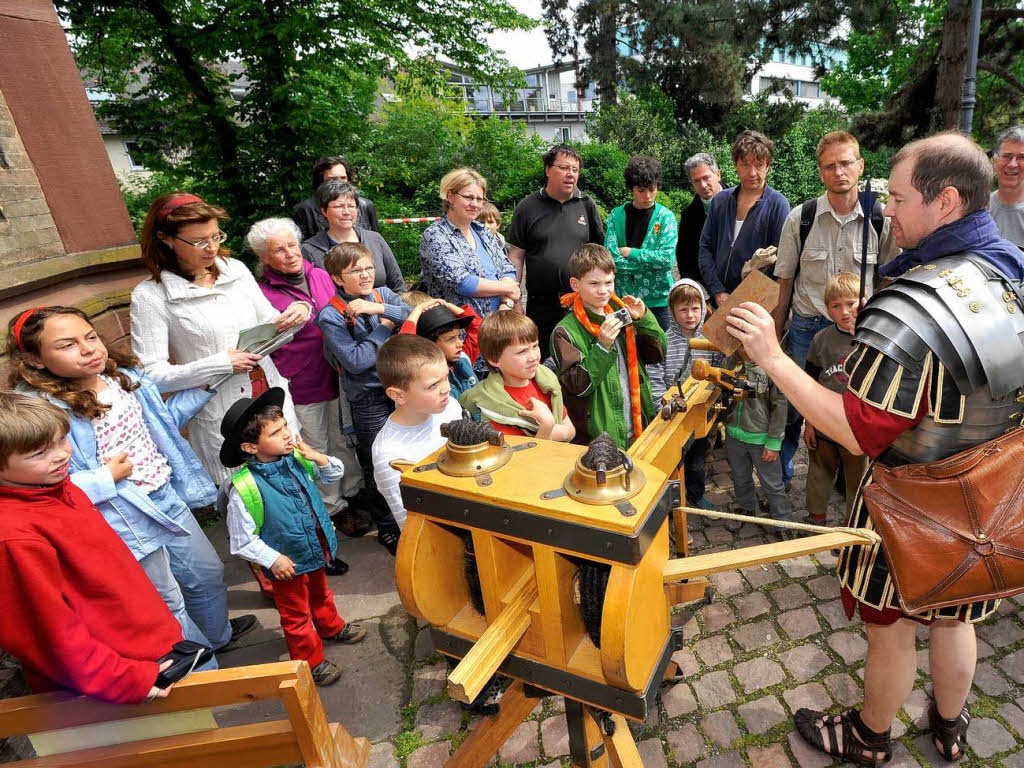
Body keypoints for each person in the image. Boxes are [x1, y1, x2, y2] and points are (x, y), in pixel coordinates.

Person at [728, 131, 1024, 765]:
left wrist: (772, 357)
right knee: (957, 618)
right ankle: (949, 725)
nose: (884, 209)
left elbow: (856, 428)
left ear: (945, 201)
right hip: (989, 494)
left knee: (888, 628)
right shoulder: (1009, 270)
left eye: (895, 196)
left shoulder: (915, 302)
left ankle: (869, 737)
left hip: (910, 501)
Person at [8, 305, 255, 652]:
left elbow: (159, 423)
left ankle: (216, 640)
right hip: (121, 515)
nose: (88, 348)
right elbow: (45, 486)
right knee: (167, 600)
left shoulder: (120, 377)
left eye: (91, 337)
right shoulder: (43, 411)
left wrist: (202, 389)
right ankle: (199, 668)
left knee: (206, 575)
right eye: (66, 345)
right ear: (33, 360)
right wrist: (104, 479)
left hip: (165, 496)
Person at [0, 391, 186, 704]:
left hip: (147, 654)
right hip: (113, 685)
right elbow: (47, 632)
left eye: (61, 439)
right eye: (38, 453)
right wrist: (122, 679)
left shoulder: (60, 489)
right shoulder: (13, 536)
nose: (60, 455)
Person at [130, 192, 306, 484]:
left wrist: (297, 312)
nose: (212, 247)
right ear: (166, 239)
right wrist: (220, 363)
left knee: (299, 481)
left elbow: (271, 324)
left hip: (271, 397)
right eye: (199, 241)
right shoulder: (150, 296)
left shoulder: (235, 270)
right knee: (250, 500)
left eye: (216, 236)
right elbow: (151, 376)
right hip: (225, 414)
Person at [772, 130, 900, 487]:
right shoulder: (802, 217)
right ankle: (780, 479)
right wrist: (777, 332)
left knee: (858, 406)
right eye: (830, 166)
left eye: (846, 163)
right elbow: (784, 280)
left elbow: (890, 280)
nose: (839, 172)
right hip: (807, 329)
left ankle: (849, 482)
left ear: (860, 166)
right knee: (794, 408)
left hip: (858, 334)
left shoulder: (881, 220)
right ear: (820, 172)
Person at [221, 388, 366, 687]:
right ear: (250, 447)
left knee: (320, 593)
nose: (287, 434)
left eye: (285, 425)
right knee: (295, 614)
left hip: (313, 546)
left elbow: (332, 474)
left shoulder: (296, 459)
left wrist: (318, 457)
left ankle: (330, 626)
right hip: (285, 562)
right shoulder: (245, 488)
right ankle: (309, 661)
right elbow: (241, 539)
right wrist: (272, 559)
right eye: (276, 432)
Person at [247, 218, 371, 544]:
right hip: (302, 379)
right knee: (317, 444)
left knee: (344, 435)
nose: (289, 253)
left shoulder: (319, 273)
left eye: (292, 245)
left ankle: (354, 490)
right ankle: (333, 506)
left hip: (339, 371)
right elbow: (260, 339)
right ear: (264, 257)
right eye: (279, 249)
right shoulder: (261, 294)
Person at [316, 242, 412, 555]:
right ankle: (387, 527)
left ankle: (414, 516)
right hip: (369, 397)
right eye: (355, 271)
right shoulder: (331, 315)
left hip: (404, 389)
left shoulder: (384, 296)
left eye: (368, 267)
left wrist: (381, 310)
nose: (365, 275)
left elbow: (415, 317)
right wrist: (385, 327)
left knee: (412, 452)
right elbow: (356, 362)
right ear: (338, 278)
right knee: (378, 463)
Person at [551, 244, 665, 449]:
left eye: (609, 282)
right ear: (575, 284)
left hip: (638, 424)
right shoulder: (564, 331)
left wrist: (644, 318)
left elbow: (657, 354)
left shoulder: (623, 313)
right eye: (594, 283)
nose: (603, 290)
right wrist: (602, 348)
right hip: (602, 436)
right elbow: (577, 387)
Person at [507, 145, 606, 358]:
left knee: (583, 361)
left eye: (575, 169)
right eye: (564, 168)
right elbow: (515, 256)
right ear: (548, 169)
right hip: (541, 305)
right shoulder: (527, 207)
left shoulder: (586, 205)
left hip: (581, 303)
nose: (571, 174)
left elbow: (600, 254)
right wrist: (514, 301)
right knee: (541, 361)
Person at [372, 335, 465, 529]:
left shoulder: (450, 408)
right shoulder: (389, 454)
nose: (446, 388)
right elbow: (409, 524)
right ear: (398, 395)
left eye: (446, 377)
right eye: (433, 386)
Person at [647, 279, 724, 509]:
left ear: (703, 309)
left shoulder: (711, 339)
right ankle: (672, 501)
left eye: (695, 308)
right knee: (672, 460)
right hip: (672, 412)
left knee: (696, 460)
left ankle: (696, 493)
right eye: (683, 309)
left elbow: (719, 370)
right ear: (672, 311)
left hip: (700, 410)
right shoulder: (664, 341)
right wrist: (660, 405)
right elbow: (654, 375)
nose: (690, 315)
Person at [419, 168, 520, 341]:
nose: (475, 204)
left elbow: (507, 268)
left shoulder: (483, 231)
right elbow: (462, 282)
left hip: (498, 328)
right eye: (468, 197)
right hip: (459, 335)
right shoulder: (435, 235)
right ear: (450, 197)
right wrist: (508, 288)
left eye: (479, 199)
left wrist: (505, 304)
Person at [803, 272, 869, 524]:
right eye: (836, 306)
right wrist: (809, 422)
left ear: (862, 302)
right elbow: (808, 385)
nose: (844, 312)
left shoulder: (872, 338)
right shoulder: (821, 340)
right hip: (824, 423)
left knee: (857, 479)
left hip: (858, 427)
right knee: (819, 472)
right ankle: (816, 520)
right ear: (827, 309)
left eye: (851, 304)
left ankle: (851, 527)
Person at [698, 130, 790, 307]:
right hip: (717, 299)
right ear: (735, 165)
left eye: (759, 165)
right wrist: (717, 291)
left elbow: (782, 262)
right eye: (745, 165)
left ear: (768, 166)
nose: (752, 172)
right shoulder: (720, 201)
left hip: (755, 302)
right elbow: (705, 248)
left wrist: (744, 298)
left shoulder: (778, 205)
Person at [460, 311, 575, 441]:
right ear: (494, 359)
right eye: (522, 352)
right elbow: (520, 456)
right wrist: (546, 426)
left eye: (535, 346)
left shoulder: (545, 380)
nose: (533, 357)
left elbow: (571, 431)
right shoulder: (495, 403)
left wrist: (556, 430)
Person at [720, 349, 793, 537]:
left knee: (772, 483)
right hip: (734, 434)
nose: (746, 347)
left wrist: (774, 442)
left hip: (761, 439)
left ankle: (783, 522)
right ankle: (746, 508)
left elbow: (780, 406)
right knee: (740, 476)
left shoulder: (771, 368)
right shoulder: (730, 361)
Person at [604, 155, 679, 331]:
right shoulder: (616, 215)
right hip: (623, 301)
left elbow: (666, 260)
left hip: (658, 302)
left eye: (652, 189)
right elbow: (612, 261)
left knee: (659, 352)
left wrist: (631, 253)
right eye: (641, 190)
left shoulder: (666, 217)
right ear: (631, 188)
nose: (647, 196)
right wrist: (650, 264)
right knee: (625, 353)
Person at [301, 181, 406, 293]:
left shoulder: (375, 239)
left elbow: (398, 285)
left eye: (351, 206)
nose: (346, 212)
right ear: (324, 211)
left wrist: (393, 309)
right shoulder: (310, 250)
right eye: (339, 206)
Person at [400, 297, 481, 400]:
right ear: (431, 345)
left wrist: (447, 305)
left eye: (459, 336)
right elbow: (403, 344)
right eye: (451, 339)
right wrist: (418, 309)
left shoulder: (463, 358)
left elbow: (478, 327)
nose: (460, 344)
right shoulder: (424, 370)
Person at [292, 156, 380, 240]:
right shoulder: (305, 210)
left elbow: (376, 242)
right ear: (320, 181)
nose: (338, 182)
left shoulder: (366, 205)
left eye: (343, 178)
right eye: (332, 179)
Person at [677, 153, 723, 283]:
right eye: (696, 181)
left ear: (718, 175)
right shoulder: (688, 215)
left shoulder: (739, 202)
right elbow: (685, 258)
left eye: (706, 178)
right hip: (705, 288)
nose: (703, 185)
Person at [989, 125, 1024, 248]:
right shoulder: (979, 208)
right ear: (994, 161)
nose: (1012, 164)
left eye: (1022, 157)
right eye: (1006, 156)